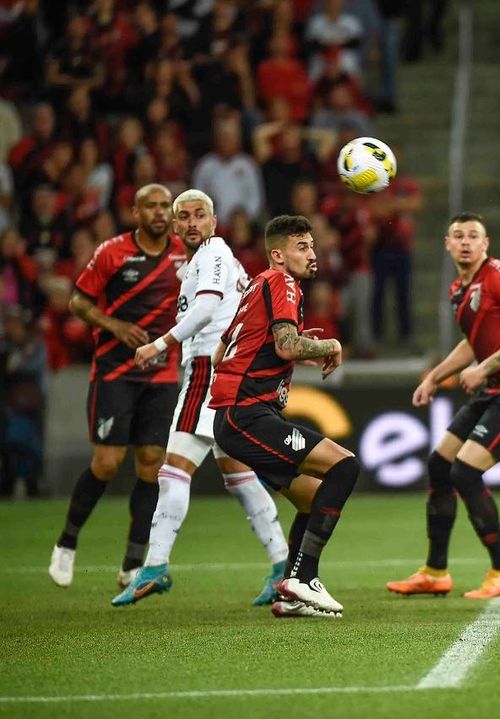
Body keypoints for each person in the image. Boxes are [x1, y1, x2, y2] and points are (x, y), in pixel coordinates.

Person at [111, 190, 289, 608]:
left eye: (200, 215)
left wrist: (159, 345)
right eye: (184, 217)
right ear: (175, 226)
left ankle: (154, 566)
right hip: (227, 372)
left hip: (209, 372)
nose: (192, 223)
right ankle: (282, 564)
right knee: (238, 475)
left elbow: (208, 308)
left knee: (173, 470)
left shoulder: (212, 253)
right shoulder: (208, 261)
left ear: (213, 221)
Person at [210, 215, 358, 618]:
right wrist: (329, 343)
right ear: (278, 254)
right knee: (344, 467)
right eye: (301, 247)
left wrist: (293, 349)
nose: (312, 254)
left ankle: (290, 596)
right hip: (248, 414)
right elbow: (287, 346)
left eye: (312, 245)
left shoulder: (256, 286)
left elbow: (222, 353)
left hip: (237, 416)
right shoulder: (282, 282)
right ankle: (303, 577)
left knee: (313, 500)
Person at [48, 184, 186, 588]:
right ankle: (67, 542)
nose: (160, 213)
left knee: (151, 463)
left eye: (165, 206)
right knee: (107, 463)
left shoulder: (185, 254)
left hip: (161, 374)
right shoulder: (111, 251)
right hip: (115, 372)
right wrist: (115, 325)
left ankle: (131, 563)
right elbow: (77, 302)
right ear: (135, 211)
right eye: (152, 206)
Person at [386, 212, 500, 599]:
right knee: (439, 465)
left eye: (473, 236)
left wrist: (483, 368)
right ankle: (435, 571)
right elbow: (472, 342)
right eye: (458, 236)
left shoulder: (499, 274)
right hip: (490, 390)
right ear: (447, 245)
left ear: (486, 244)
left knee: (465, 472)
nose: (465, 241)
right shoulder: (458, 289)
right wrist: (435, 376)